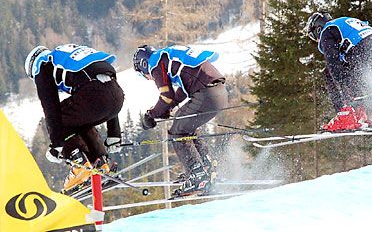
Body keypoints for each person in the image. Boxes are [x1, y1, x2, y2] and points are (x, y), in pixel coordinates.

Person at [24, 44, 124, 193]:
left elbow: (51, 109)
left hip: (95, 93)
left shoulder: (42, 66)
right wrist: (114, 134)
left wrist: (57, 145)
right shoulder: (66, 53)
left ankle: (80, 167)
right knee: (79, 119)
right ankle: (101, 163)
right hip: (117, 95)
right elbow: (106, 86)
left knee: (59, 119)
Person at [133, 44, 227, 196]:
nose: (148, 77)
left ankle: (198, 175)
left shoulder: (155, 63)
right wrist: (168, 108)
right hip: (219, 91)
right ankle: (206, 168)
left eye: (143, 74)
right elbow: (181, 91)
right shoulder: (167, 56)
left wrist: (151, 115)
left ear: (143, 64)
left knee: (177, 132)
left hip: (206, 93)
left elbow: (166, 96)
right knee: (187, 127)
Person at [306, 12, 372, 132]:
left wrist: (342, 87)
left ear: (317, 28)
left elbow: (333, 62)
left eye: (314, 36)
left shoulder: (326, 31)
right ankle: (367, 112)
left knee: (330, 73)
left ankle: (346, 114)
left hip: (362, 48)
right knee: (361, 78)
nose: (318, 40)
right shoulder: (343, 22)